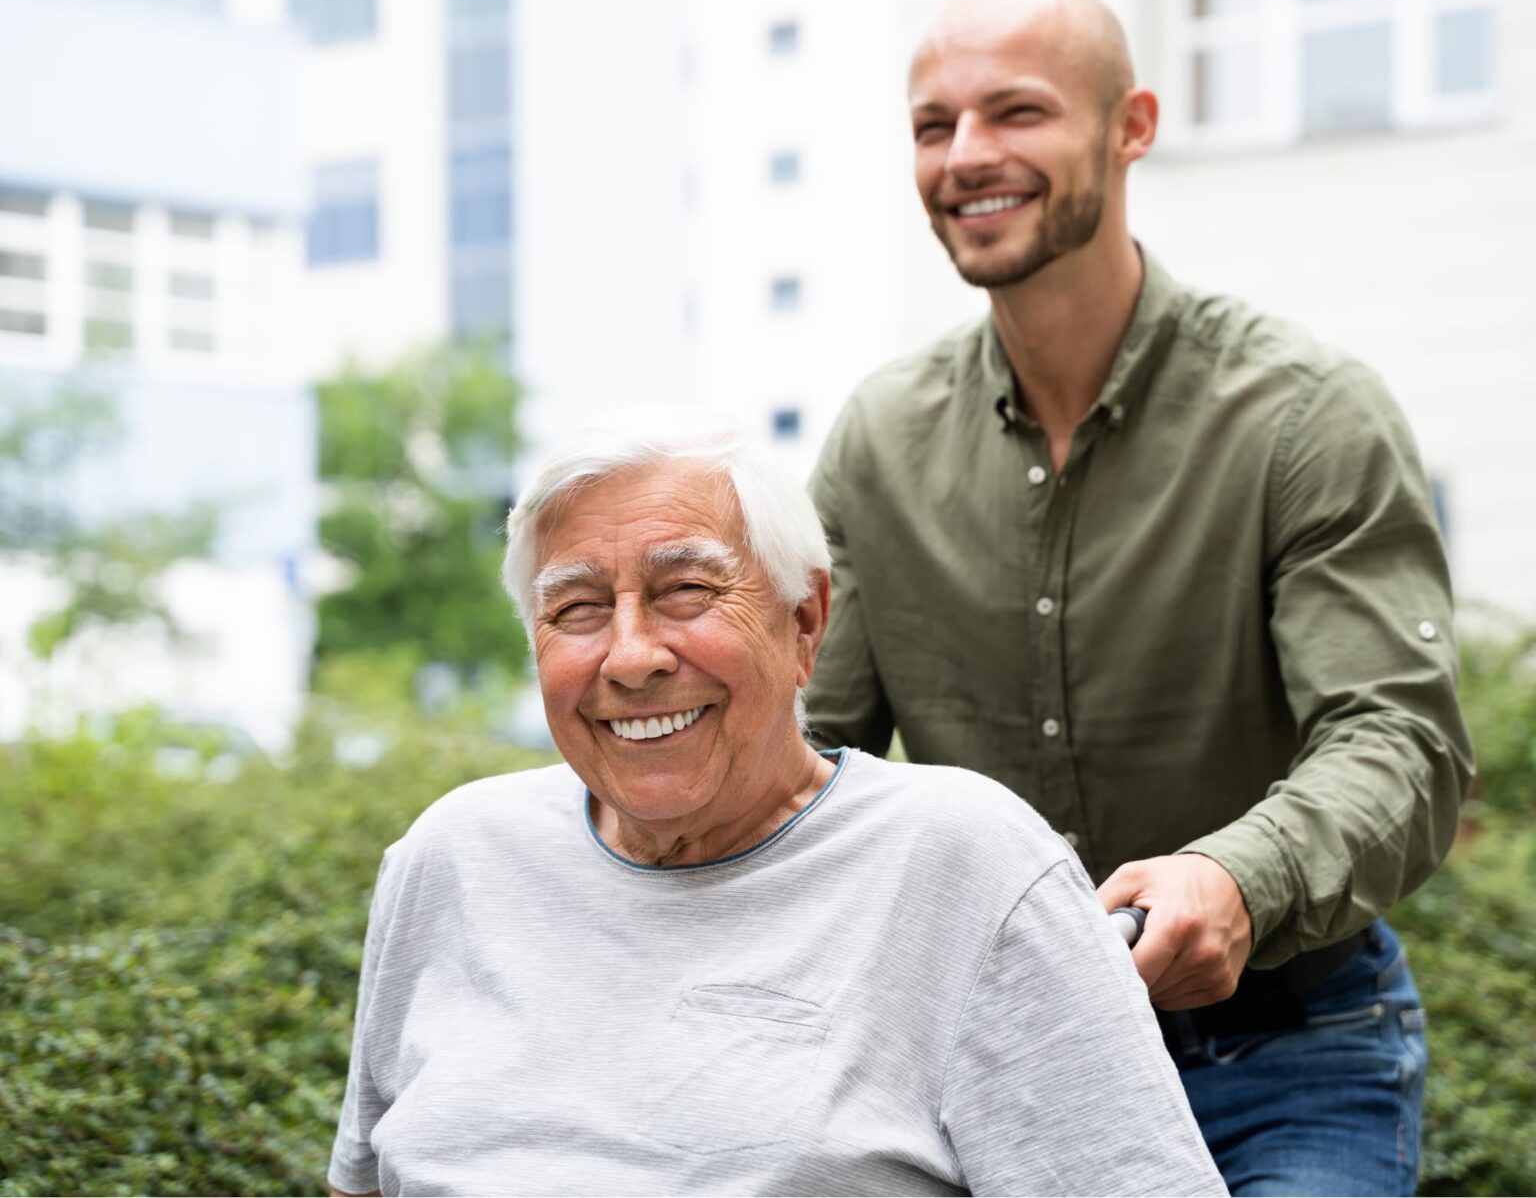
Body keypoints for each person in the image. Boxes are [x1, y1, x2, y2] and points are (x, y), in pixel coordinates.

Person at [805, 0, 1473, 1196]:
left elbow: (1403, 741)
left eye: (1017, 112)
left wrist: (1236, 876)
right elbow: (805, 762)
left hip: (1288, 1053)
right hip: (992, 1061)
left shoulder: (1304, 416)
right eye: (933, 124)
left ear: (1133, 125)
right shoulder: (874, 442)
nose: (968, 155)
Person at [325, 410, 1226, 1197]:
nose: (632, 655)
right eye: (579, 608)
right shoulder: (450, 857)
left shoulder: (965, 863)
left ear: (804, 623)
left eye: (686, 590)